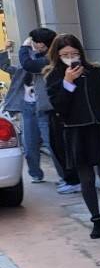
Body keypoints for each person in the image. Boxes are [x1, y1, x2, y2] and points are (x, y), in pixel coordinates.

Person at [45, 34, 100, 239]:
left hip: (99, 129)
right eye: (65, 54)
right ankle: (96, 220)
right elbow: (60, 108)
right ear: (57, 55)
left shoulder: (95, 71)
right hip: (75, 131)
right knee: (87, 179)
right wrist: (68, 83)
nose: (70, 57)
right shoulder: (53, 76)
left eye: (74, 53)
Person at [0, 28, 73, 189]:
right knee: (29, 145)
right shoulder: (32, 60)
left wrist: (24, 46)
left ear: (41, 44)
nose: (31, 44)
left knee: (52, 144)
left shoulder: (50, 60)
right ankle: (36, 174)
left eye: (34, 42)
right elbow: (11, 67)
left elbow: (29, 64)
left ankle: (66, 177)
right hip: (28, 108)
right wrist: (5, 50)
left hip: (44, 109)